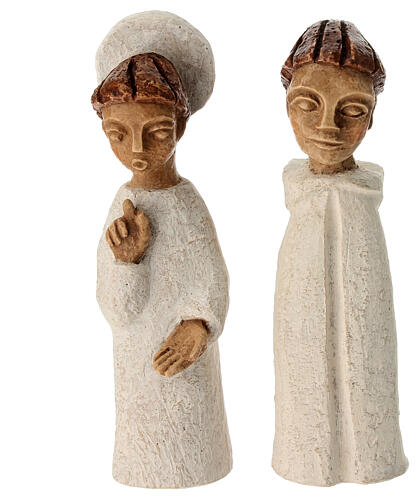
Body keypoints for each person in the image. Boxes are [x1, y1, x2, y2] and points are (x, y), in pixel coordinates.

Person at [93, 12, 231, 488]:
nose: (137, 149)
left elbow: (213, 276)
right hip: (137, 369)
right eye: (118, 134)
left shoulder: (188, 203)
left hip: (189, 365)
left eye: (156, 132)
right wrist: (127, 263)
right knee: (146, 445)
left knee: (193, 439)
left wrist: (199, 326)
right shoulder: (122, 206)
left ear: (180, 127)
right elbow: (118, 311)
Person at [273, 20, 408, 486]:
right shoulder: (300, 200)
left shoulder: (363, 203)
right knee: (301, 367)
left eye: (351, 109)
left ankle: (372, 456)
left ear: (371, 117)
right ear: (287, 108)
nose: (327, 126)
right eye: (307, 105)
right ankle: (304, 457)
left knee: (369, 361)